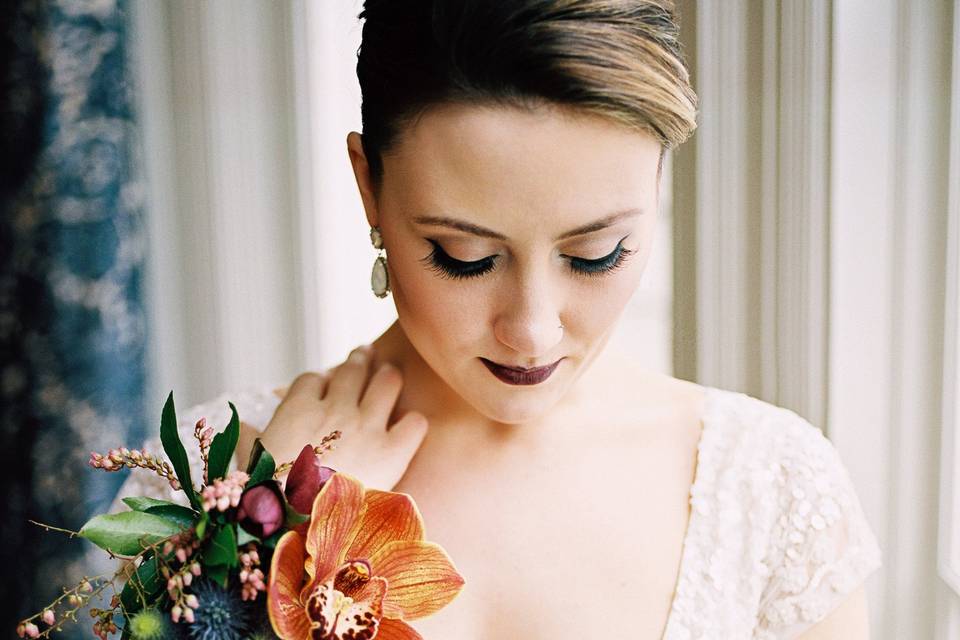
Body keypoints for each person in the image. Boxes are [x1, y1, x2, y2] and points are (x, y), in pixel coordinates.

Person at [114, 1, 883, 638]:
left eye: (598, 254)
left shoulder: (773, 490)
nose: (534, 330)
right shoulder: (205, 485)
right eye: (463, 256)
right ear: (369, 189)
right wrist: (262, 533)